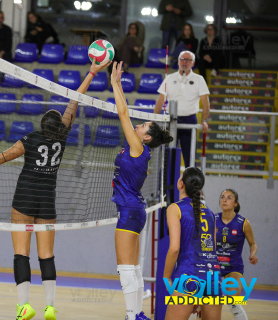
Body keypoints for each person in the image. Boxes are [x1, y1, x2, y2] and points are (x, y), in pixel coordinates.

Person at [0, 59, 110, 320]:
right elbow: (75, 100)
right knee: (47, 256)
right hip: (47, 200)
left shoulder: (30, 139)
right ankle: (51, 307)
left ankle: (24, 306)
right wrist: (92, 72)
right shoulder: (62, 139)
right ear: (59, 127)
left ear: (42, 124)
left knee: (21, 253)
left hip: (24, 198)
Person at [110, 61, 173, 320]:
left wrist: (115, 84)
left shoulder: (138, 148)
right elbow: (126, 115)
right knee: (133, 267)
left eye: (142, 126)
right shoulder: (138, 147)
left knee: (126, 268)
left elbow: (123, 114)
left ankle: (132, 315)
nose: (137, 126)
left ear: (146, 137)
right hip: (135, 209)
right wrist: (119, 86)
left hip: (129, 210)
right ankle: (137, 314)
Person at [164, 167, 222, 320]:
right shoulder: (210, 213)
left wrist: (166, 276)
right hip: (213, 277)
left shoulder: (175, 208)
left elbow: (175, 249)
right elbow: (213, 250)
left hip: (189, 275)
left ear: (181, 184)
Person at [153, 50, 210, 168]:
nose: (185, 62)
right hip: (171, 120)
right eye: (182, 59)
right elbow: (160, 100)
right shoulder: (169, 78)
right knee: (168, 157)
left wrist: (204, 121)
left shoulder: (199, 79)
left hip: (189, 121)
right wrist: (154, 119)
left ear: (193, 63)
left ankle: (190, 185)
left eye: (188, 60)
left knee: (190, 157)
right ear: (178, 61)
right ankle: (165, 185)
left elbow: (205, 103)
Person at [216, 189, 258, 320]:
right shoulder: (213, 219)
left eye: (229, 198)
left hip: (233, 267)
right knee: (203, 303)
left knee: (233, 301)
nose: (224, 200)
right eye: (222, 197)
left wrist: (253, 254)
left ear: (235, 203)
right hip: (214, 266)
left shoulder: (244, 223)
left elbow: (253, 243)